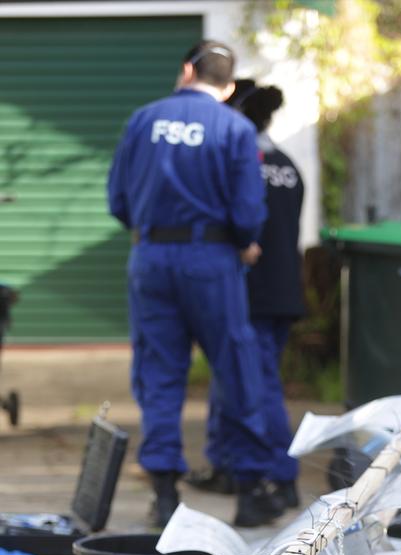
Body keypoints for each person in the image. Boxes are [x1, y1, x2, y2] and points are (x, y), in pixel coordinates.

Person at [107, 41, 284, 528]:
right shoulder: (235, 127)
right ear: (228, 87)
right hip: (212, 259)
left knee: (160, 373)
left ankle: (164, 497)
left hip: (152, 257)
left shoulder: (144, 120)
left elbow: (118, 201)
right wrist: (243, 239)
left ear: (186, 71)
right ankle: (248, 492)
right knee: (235, 365)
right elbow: (249, 210)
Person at [186, 80, 305, 509]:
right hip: (284, 290)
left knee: (259, 388)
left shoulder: (237, 164)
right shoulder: (289, 165)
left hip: (248, 294)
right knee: (231, 380)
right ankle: (225, 465)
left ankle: (281, 475)